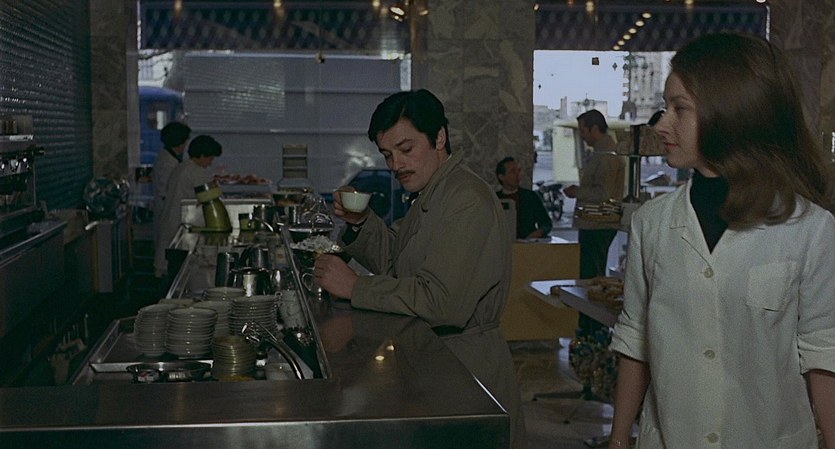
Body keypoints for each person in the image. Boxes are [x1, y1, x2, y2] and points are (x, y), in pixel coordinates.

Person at [608, 32, 835, 449]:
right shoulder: (651, 224)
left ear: (731, 114)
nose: (661, 125)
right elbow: (635, 339)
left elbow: (824, 353)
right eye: (665, 107)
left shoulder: (810, 229)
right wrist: (620, 437)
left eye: (680, 109)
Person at [313, 89, 527, 449]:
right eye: (387, 155)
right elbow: (396, 261)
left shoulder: (466, 199)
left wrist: (355, 287)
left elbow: (442, 301)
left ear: (439, 138)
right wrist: (361, 222)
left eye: (406, 149)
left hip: (467, 371)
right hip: (436, 364)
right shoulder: (432, 194)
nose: (395, 164)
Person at [563, 109, 625, 280]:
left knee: (591, 275)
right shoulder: (601, 153)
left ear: (595, 129)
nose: (582, 136)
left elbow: (604, 193)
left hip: (598, 224)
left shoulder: (607, 156)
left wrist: (578, 192)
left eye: (583, 131)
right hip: (594, 223)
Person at [153, 135, 223, 279]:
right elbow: (211, 196)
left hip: (172, 221)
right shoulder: (195, 170)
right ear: (202, 155)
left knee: (167, 270)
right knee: (174, 274)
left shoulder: (183, 167)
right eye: (210, 159)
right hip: (178, 222)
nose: (210, 164)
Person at [152, 121, 191, 269]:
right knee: (165, 248)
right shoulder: (168, 162)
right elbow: (165, 191)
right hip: (167, 210)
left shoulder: (170, 158)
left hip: (166, 209)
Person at [495, 156, 553, 239]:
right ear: (501, 177)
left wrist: (539, 232)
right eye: (512, 171)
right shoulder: (495, 199)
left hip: (527, 243)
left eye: (518, 171)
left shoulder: (530, 197)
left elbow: (546, 223)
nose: (517, 175)